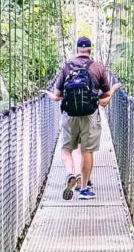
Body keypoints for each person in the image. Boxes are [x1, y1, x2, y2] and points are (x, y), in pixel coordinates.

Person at [46, 36, 116, 200]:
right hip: (89, 115)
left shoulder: (66, 67)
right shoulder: (98, 67)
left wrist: (48, 94)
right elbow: (105, 97)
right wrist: (112, 91)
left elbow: (57, 95)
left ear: (76, 50)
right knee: (86, 150)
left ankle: (71, 173)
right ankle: (84, 188)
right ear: (90, 50)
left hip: (69, 115)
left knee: (66, 148)